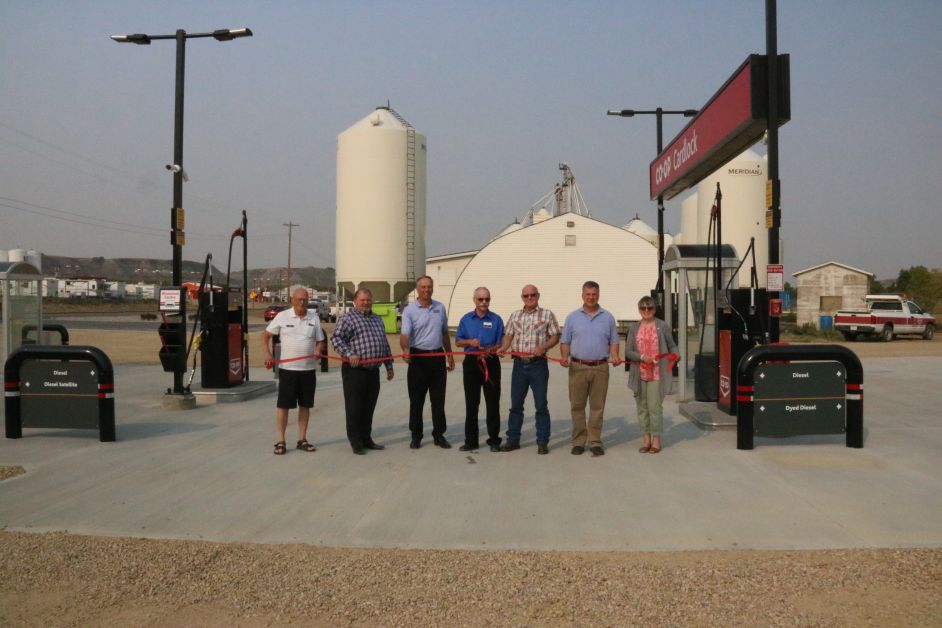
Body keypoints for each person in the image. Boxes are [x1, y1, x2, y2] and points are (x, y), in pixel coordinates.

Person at [559, 281, 622, 457]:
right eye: (588, 294)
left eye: (594, 294)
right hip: (577, 367)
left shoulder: (607, 317)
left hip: (600, 367)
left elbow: (614, 341)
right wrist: (564, 357)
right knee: (577, 406)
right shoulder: (572, 317)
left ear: (598, 295)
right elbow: (565, 341)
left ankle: (595, 441)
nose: (591, 297)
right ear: (582, 295)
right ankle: (579, 441)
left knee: (597, 407)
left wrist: (615, 355)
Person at [262, 287, 326, 456]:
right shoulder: (283, 316)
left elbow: (320, 340)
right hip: (288, 371)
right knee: (284, 406)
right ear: (292, 300)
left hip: (308, 370)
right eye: (299, 299)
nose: (302, 302)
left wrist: (319, 350)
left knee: (305, 406)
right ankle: (281, 441)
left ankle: (302, 439)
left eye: (305, 299)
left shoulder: (314, 317)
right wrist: (267, 353)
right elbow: (266, 335)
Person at [330, 288, 395, 455]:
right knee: (354, 407)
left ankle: (367, 438)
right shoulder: (348, 318)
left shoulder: (377, 319)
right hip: (355, 371)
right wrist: (349, 354)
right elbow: (336, 339)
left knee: (369, 407)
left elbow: (384, 343)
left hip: (373, 371)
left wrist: (389, 366)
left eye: (368, 300)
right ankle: (356, 441)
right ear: (355, 301)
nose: (366, 302)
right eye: (362, 300)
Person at [499, 284, 560, 454]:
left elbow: (555, 335)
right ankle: (513, 440)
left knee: (541, 405)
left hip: (538, 365)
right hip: (519, 366)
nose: (529, 298)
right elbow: (509, 334)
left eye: (532, 295)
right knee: (516, 405)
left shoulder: (547, 314)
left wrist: (544, 346)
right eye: (526, 295)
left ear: (538, 295)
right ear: (522, 297)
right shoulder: (515, 315)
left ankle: (542, 441)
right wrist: (504, 346)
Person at [400, 276, 455, 449]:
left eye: (429, 287)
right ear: (417, 289)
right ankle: (416, 436)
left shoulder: (440, 307)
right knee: (416, 400)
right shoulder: (409, 310)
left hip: (437, 357)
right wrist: (405, 350)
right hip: (418, 359)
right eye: (423, 287)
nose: (427, 290)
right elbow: (404, 335)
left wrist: (449, 354)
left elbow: (445, 333)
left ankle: (439, 435)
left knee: (438, 400)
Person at [625, 295, 678, 454]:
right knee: (642, 407)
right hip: (639, 372)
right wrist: (641, 357)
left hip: (657, 373)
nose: (646, 311)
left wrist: (676, 355)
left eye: (650, 308)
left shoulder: (662, 326)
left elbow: (672, 345)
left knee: (654, 407)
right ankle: (646, 440)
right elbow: (628, 351)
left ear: (655, 309)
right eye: (643, 308)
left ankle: (656, 441)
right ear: (639, 310)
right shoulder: (634, 328)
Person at [455, 287, 504, 452]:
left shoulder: (496, 320)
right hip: (471, 363)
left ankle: (494, 440)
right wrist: (470, 342)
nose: (484, 302)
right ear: (474, 300)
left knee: (492, 403)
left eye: (487, 299)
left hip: (490, 362)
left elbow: (501, 343)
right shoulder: (466, 319)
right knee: (471, 403)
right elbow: (458, 342)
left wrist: (493, 349)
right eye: (480, 299)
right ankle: (471, 441)